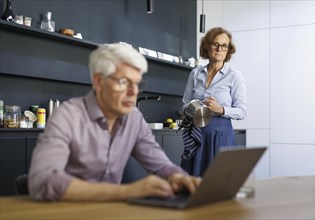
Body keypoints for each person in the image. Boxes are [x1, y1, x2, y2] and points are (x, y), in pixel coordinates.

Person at [28, 44, 201, 201]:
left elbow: (162, 165)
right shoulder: (68, 115)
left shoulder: (134, 118)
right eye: (124, 82)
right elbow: (43, 181)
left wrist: (178, 177)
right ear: (98, 82)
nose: (134, 92)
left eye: (137, 84)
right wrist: (128, 191)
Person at [181, 27, 246, 176]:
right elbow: (184, 104)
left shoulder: (234, 76)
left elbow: (242, 111)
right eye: (215, 44)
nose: (219, 49)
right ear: (207, 46)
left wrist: (220, 109)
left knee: (220, 182)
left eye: (224, 46)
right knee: (193, 182)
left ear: (228, 50)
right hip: (196, 134)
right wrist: (194, 109)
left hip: (220, 137)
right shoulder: (195, 73)